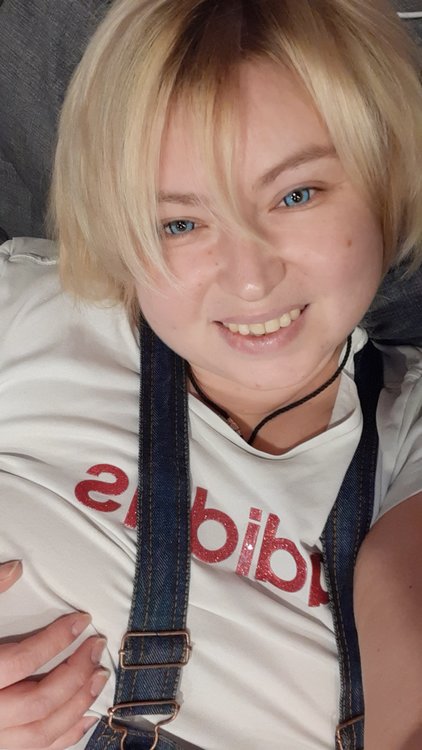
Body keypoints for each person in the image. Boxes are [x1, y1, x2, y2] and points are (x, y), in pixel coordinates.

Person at [0, 1, 421, 749]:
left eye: (295, 195)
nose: (250, 280)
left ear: (386, 180)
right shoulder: (25, 315)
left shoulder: (408, 432)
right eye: (180, 223)